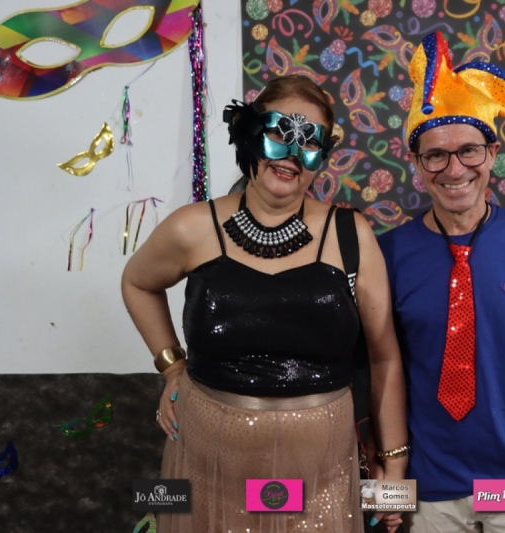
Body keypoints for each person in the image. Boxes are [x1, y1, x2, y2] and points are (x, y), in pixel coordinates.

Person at [121, 74, 407, 533]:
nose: (292, 151)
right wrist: (172, 366)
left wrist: (393, 467)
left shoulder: (351, 236)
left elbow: (384, 357)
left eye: (309, 140)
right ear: (250, 134)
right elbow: (137, 282)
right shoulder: (192, 228)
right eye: (280, 131)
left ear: (322, 157)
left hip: (323, 481)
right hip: (205, 470)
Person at [377, 33, 505, 532]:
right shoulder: (388, 253)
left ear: (492, 153)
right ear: (416, 162)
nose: (455, 170)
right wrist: (390, 480)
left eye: (469, 151)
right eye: (436, 155)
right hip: (432, 486)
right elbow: (381, 366)